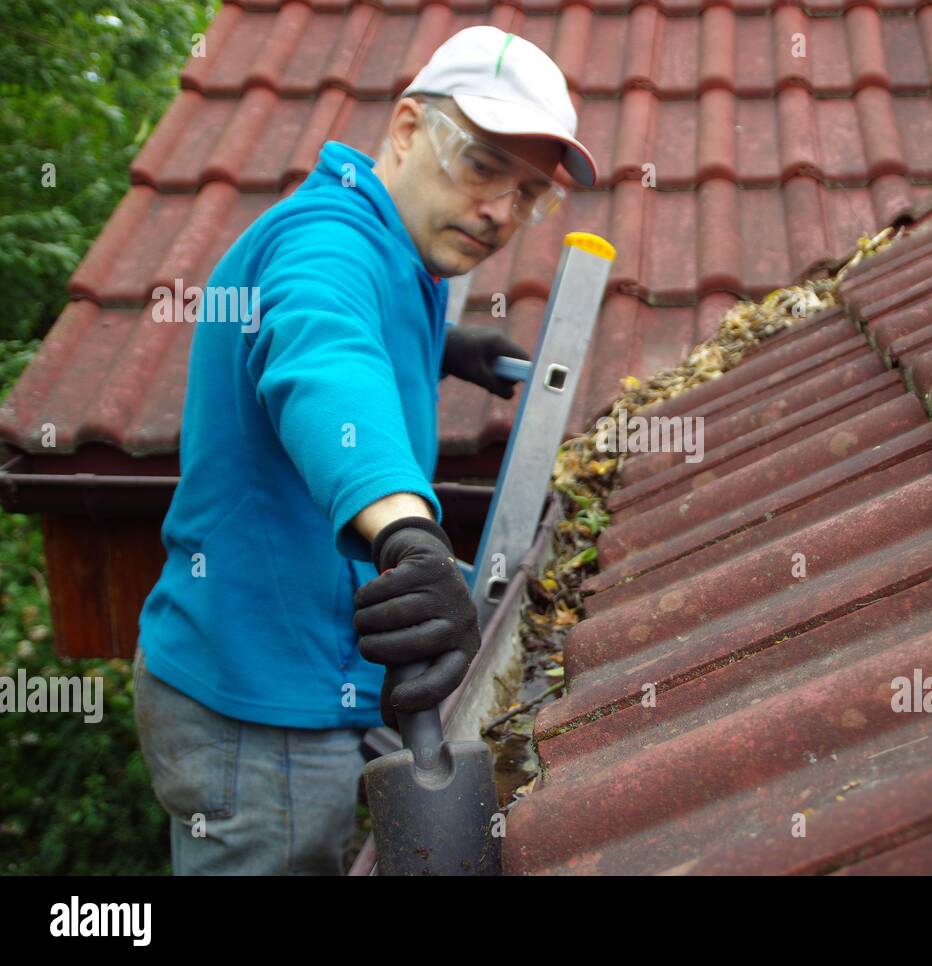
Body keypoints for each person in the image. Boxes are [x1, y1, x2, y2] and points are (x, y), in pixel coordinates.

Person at [132, 25, 597, 875]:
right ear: (410, 129)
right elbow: (324, 357)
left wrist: (440, 347)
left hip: (330, 663)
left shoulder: (405, 253)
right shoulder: (325, 242)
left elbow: (365, 336)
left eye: (530, 192)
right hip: (255, 697)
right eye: (483, 164)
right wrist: (408, 537)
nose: (501, 211)